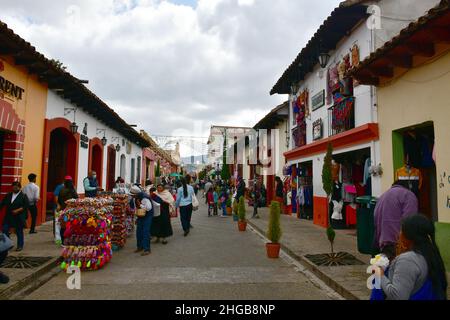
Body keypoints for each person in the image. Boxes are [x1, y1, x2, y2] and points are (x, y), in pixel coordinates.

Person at [373, 214, 447, 300]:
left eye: (401, 230)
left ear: (408, 236)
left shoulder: (408, 260)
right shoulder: (431, 255)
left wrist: (379, 274)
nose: (399, 234)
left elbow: (398, 296)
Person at [374, 180, 419, 261]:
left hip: (383, 242)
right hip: (399, 243)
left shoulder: (382, 196)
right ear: (408, 187)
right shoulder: (408, 195)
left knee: (388, 270)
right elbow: (410, 221)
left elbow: (375, 219)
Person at [0, 182, 29, 252]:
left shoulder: (23, 196)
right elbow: (2, 204)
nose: (15, 188)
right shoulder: (8, 195)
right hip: (8, 216)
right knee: (4, 229)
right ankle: (8, 244)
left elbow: (25, 206)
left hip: (18, 217)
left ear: (19, 187)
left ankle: (20, 245)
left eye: (16, 187)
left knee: (19, 231)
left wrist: (18, 210)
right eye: (13, 187)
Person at [130, 185, 153, 256]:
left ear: (136, 194)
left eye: (133, 195)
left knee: (145, 232)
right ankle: (140, 246)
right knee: (139, 232)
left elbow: (148, 208)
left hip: (147, 216)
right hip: (141, 216)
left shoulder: (144, 198)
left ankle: (147, 249)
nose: (132, 196)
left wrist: (140, 205)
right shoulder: (137, 197)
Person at [57, 176, 79, 245]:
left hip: (64, 211)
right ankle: (70, 240)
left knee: (63, 226)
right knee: (71, 226)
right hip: (72, 212)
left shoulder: (62, 190)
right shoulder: (73, 190)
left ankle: (63, 241)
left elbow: (59, 200)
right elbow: (77, 199)